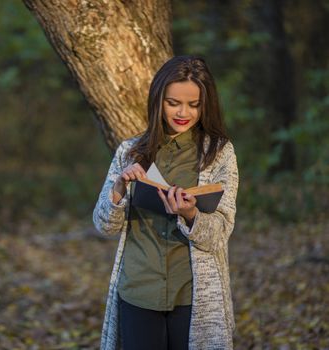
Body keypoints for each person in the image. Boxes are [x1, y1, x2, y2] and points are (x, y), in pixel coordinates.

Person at [93, 55, 239, 350]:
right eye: (174, 103)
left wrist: (190, 214)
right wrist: (120, 186)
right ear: (158, 100)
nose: (183, 112)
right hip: (138, 290)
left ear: (205, 104)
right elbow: (104, 225)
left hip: (193, 295)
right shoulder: (130, 151)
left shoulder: (219, 153)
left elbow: (221, 233)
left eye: (194, 104)